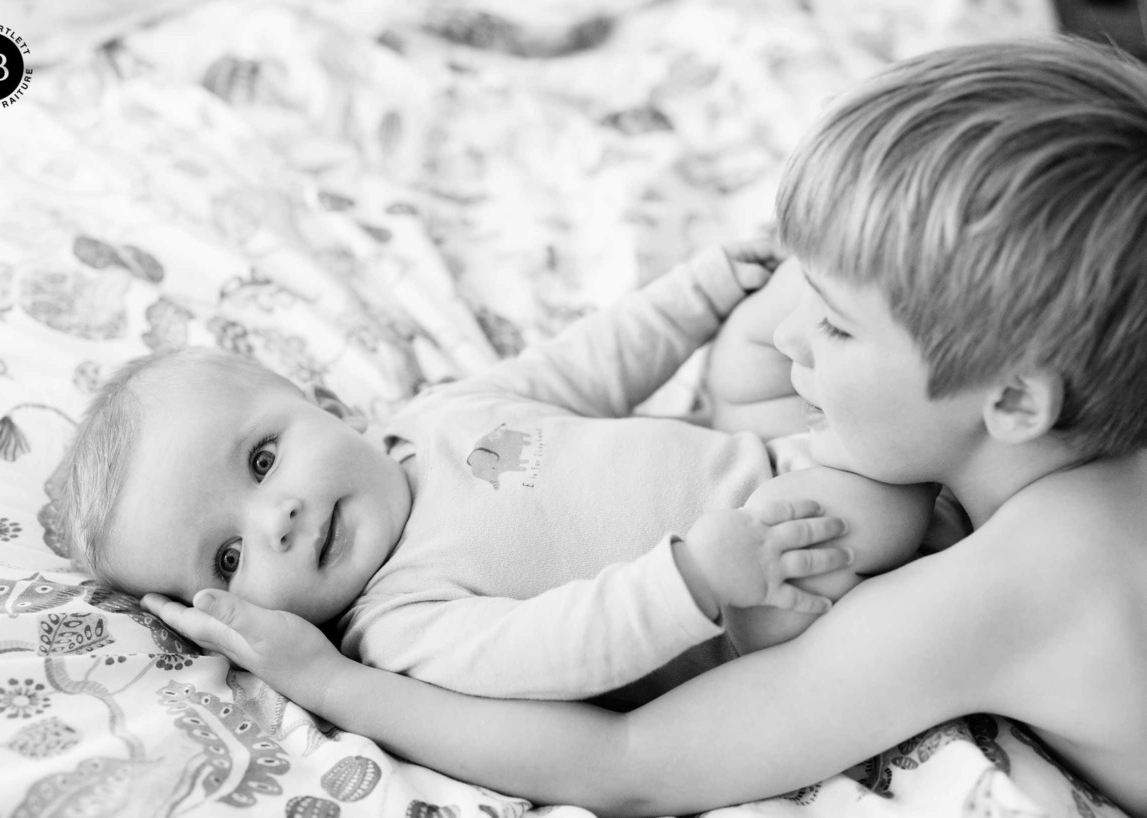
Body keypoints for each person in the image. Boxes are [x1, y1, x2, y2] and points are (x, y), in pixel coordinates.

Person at [141, 36, 1147, 816]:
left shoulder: (1008, 584)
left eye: (834, 322)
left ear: (1014, 401)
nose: (795, 327)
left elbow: (631, 765)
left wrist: (331, 679)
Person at [56, 243, 936, 708]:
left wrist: (697, 294)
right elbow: (556, 646)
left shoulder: (435, 417)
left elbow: (580, 368)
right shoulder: (400, 623)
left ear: (318, 404)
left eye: (261, 460)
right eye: (228, 559)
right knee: (869, 509)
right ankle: (961, 464)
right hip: (757, 590)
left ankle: (940, 291)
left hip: (744, 444)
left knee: (786, 297)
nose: (275, 520)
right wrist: (698, 578)